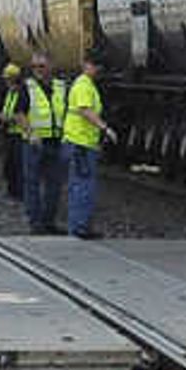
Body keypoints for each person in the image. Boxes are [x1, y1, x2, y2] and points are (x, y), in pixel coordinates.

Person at [60, 46, 108, 238]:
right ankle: (79, 227)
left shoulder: (86, 84)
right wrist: (105, 127)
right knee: (83, 186)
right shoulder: (83, 85)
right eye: (94, 66)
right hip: (80, 144)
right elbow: (84, 110)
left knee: (81, 185)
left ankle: (80, 225)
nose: (97, 70)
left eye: (98, 67)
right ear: (86, 65)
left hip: (82, 143)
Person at [18, 49, 62, 232]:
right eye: (34, 66)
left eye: (41, 66)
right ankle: (35, 223)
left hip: (55, 141)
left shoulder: (61, 87)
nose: (38, 69)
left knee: (54, 185)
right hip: (34, 143)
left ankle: (49, 221)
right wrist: (31, 133)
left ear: (50, 66)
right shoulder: (27, 87)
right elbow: (19, 114)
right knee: (32, 183)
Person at [0, 60, 28, 202]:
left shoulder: (21, 93)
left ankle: (19, 193)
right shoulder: (11, 93)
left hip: (19, 134)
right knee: (10, 165)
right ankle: (12, 191)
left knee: (18, 165)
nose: (6, 82)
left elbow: (20, 114)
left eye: (7, 79)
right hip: (10, 133)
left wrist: (6, 118)